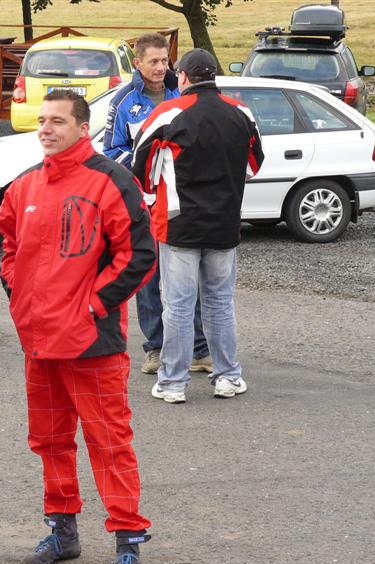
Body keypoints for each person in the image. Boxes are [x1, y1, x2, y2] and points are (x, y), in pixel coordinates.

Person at [0, 89, 157, 564]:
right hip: (39, 342)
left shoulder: (111, 181)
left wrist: (92, 306)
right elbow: (9, 247)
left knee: (109, 444)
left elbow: (139, 253)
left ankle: (128, 540)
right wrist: (20, 294)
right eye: (43, 120)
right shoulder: (25, 184)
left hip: (92, 344)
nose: (46, 128)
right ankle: (62, 531)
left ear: (83, 128)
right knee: (49, 441)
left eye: (58, 121)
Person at [132, 49, 265, 404]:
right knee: (220, 302)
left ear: (183, 77)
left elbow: (140, 163)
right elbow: (255, 164)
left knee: (178, 304)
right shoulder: (240, 111)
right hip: (224, 222)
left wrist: (151, 196)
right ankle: (228, 376)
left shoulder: (168, 112)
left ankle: (173, 383)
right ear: (213, 75)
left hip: (179, 223)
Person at [103, 33, 212, 378]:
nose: (161, 67)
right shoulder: (123, 101)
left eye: (165, 61)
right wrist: (147, 164)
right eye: (153, 61)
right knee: (149, 277)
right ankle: (155, 347)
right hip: (144, 205)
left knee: (189, 276)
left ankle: (199, 349)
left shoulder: (184, 93)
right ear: (138, 63)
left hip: (184, 202)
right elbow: (111, 151)